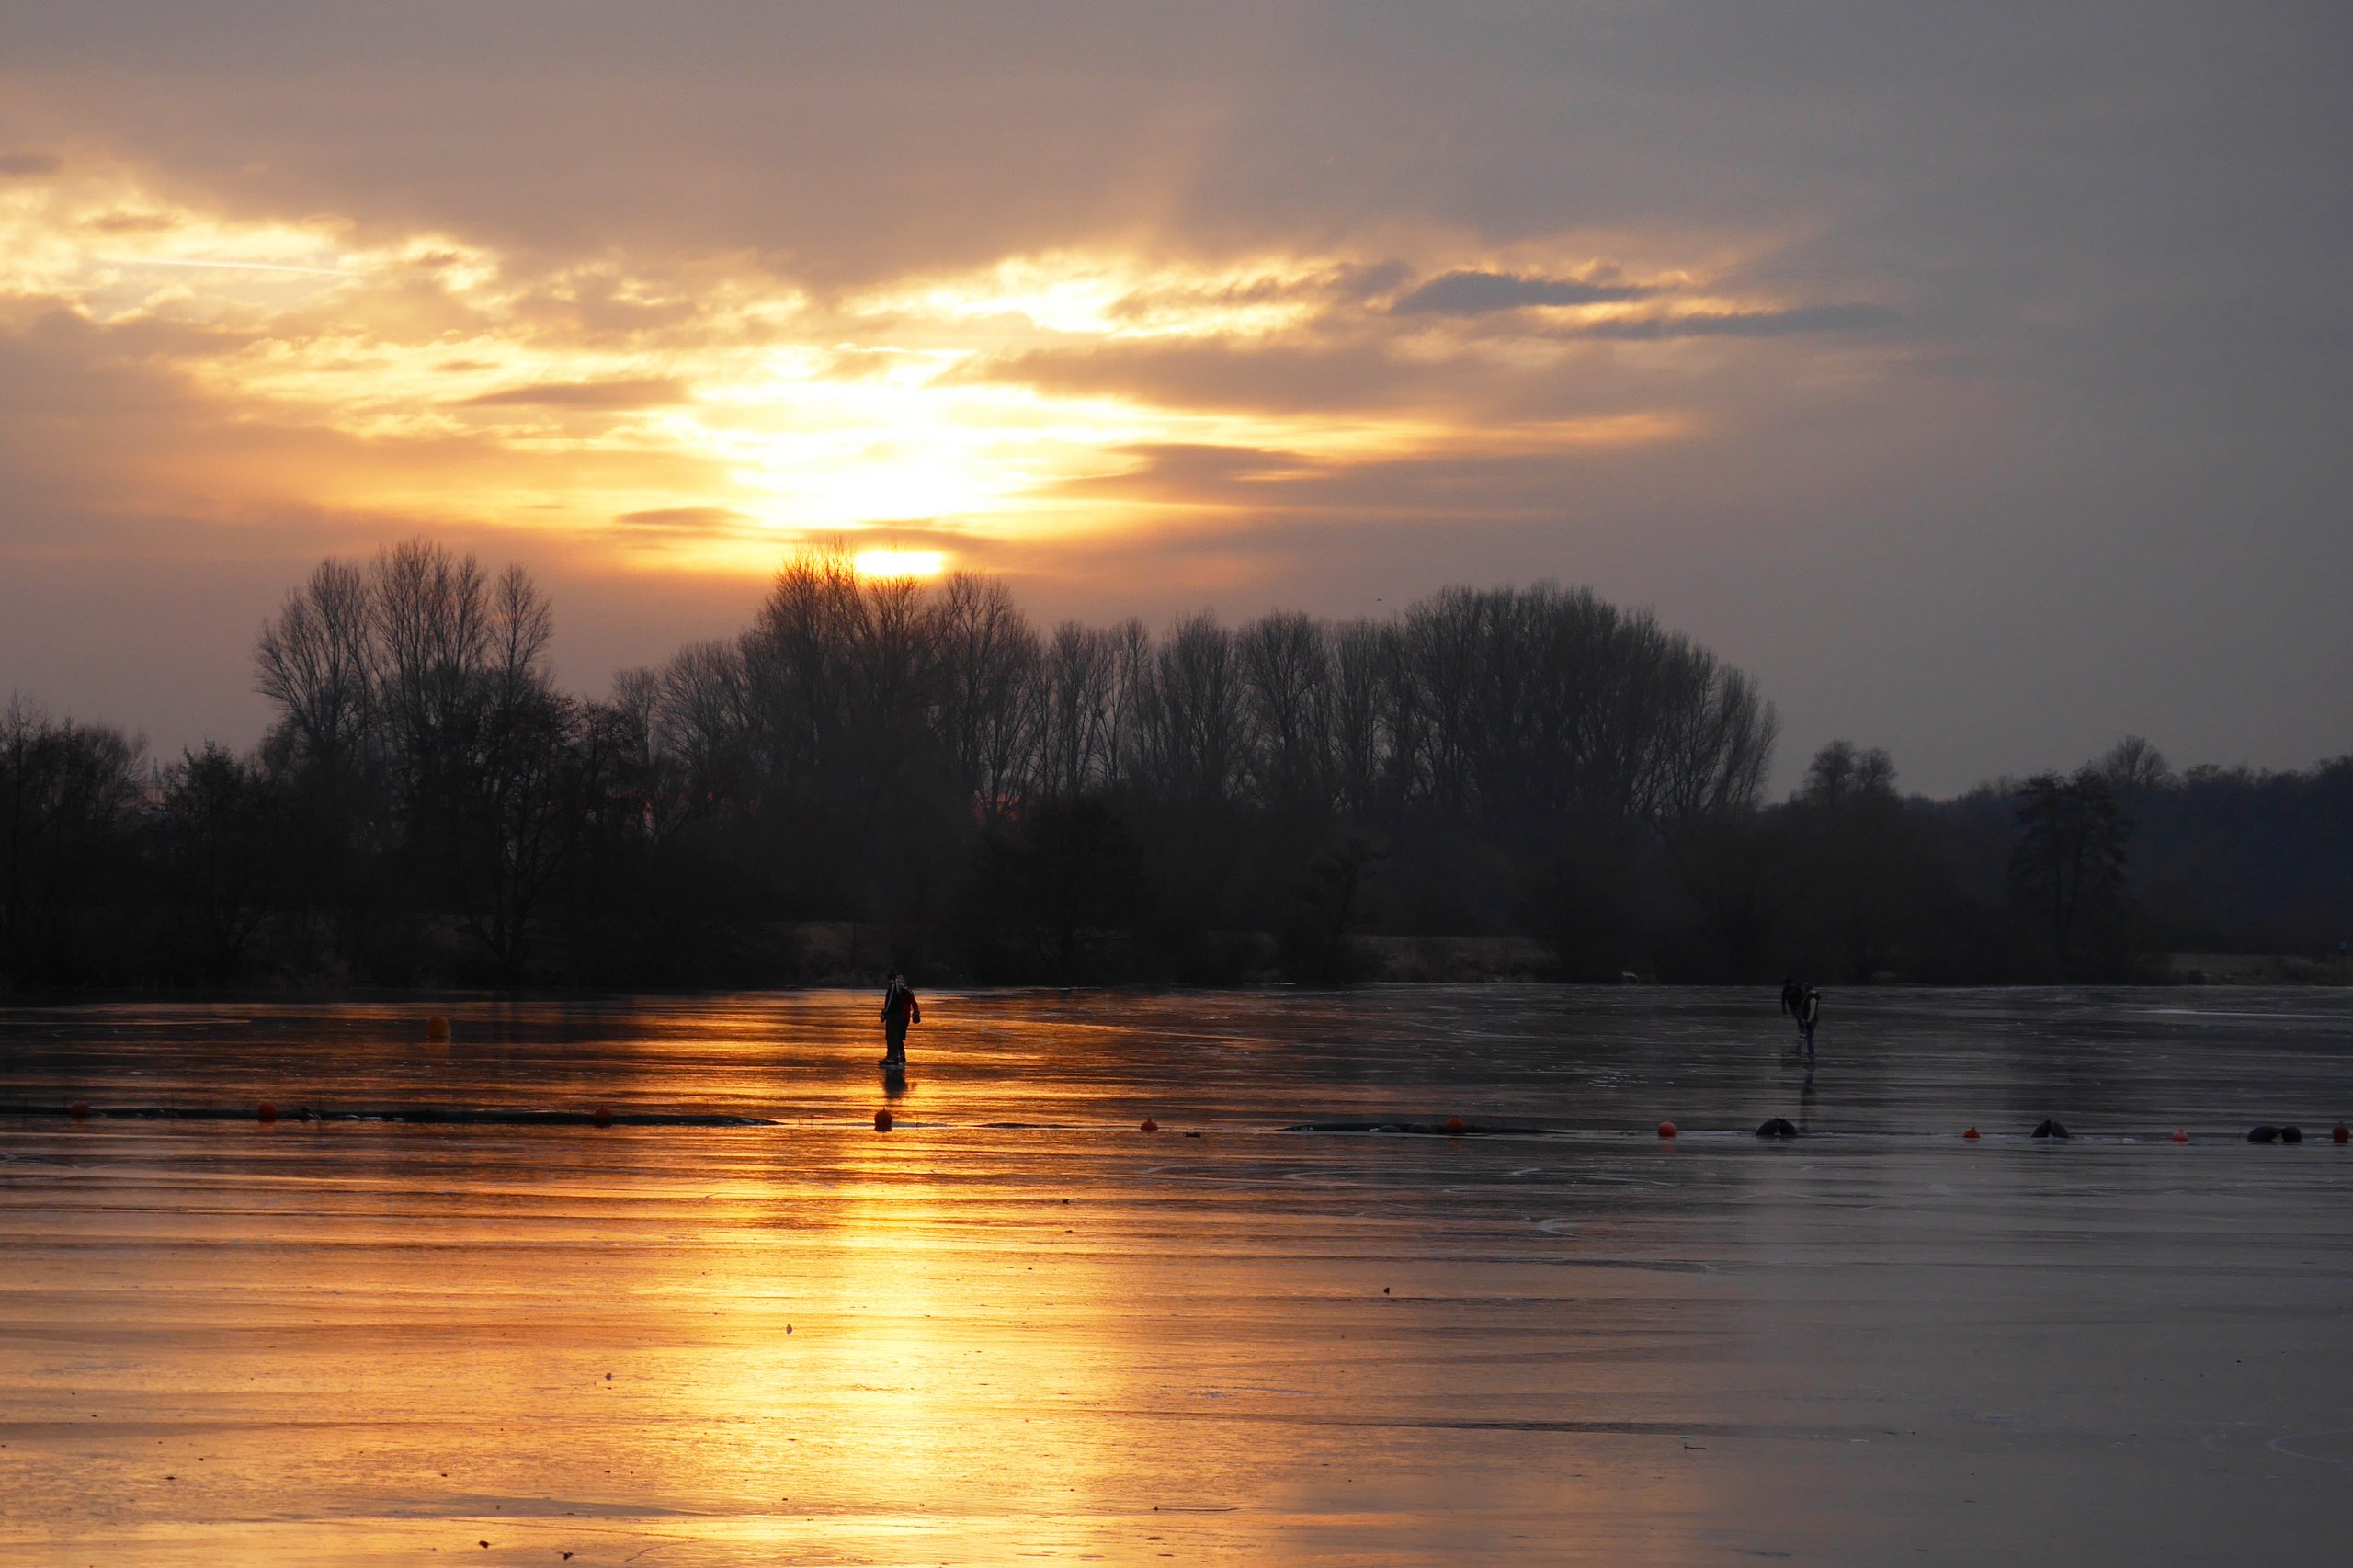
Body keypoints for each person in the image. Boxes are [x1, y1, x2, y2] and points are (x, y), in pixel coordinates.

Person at [878, 971, 921, 1068]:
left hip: (903, 1017)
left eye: (901, 979)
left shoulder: (904, 990)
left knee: (897, 1036)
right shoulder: (900, 990)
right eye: (898, 978)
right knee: (896, 1036)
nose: (899, 980)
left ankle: (897, 1055)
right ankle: (897, 1054)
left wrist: (916, 1012)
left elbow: (913, 1002)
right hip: (900, 1016)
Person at [1799, 985, 1821, 1062]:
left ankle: (1811, 1053)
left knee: (1809, 1038)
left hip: (1812, 1020)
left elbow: (1812, 1011)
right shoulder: (1807, 997)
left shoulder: (1812, 998)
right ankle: (1811, 1052)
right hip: (1808, 1019)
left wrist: (1809, 1021)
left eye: (1804, 989)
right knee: (1808, 1037)